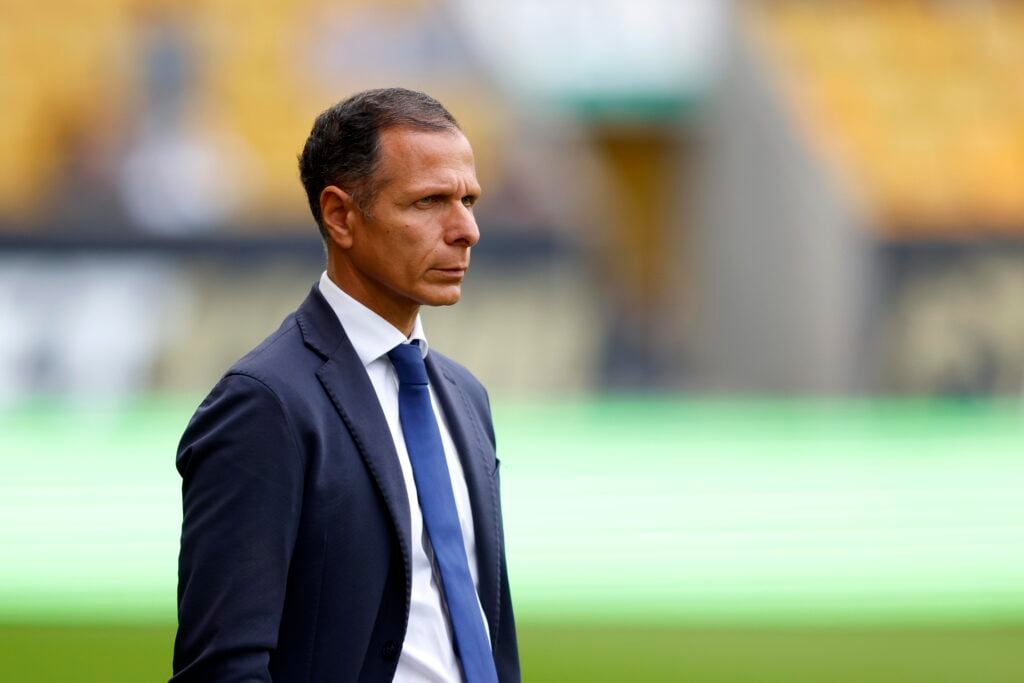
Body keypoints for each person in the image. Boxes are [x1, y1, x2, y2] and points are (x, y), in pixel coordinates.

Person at [171, 88, 519, 682]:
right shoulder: (264, 404)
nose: (467, 230)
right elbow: (222, 668)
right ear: (340, 216)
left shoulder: (465, 397)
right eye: (430, 201)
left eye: (468, 200)